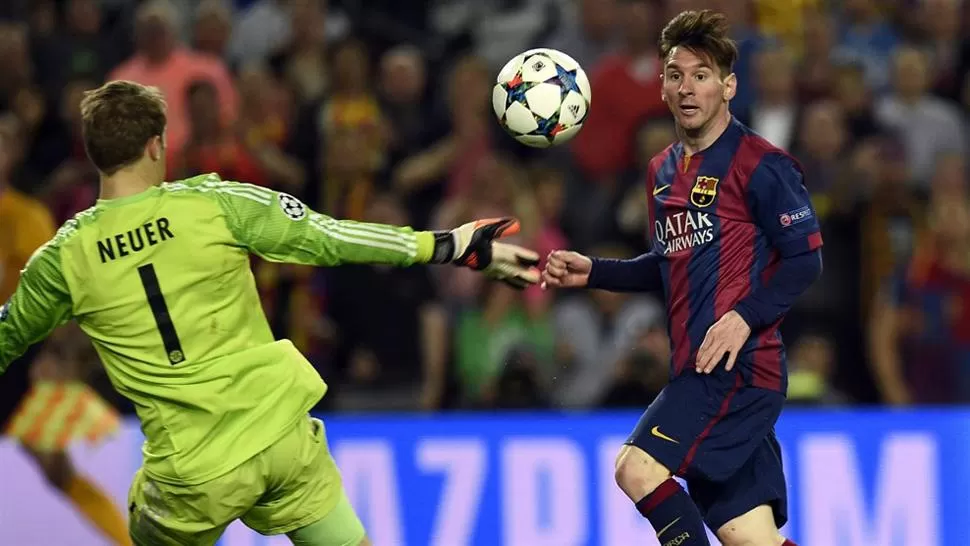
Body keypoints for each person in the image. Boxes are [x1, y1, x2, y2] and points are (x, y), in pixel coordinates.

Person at [0, 80, 540, 546]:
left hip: (191, 471)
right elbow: (329, 237)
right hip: (280, 435)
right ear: (157, 144)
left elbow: (8, 337)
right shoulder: (215, 204)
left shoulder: (63, 259)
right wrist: (447, 245)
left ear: (93, 153)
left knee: (144, 526)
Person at [541, 10, 822, 546]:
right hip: (699, 366)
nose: (688, 87)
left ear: (728, 85)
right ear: (663, 88)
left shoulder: (762, 165)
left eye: (702, 74)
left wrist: (742, 318)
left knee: (635, 468)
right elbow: (670, 263)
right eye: (676, 75)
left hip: (738, 372)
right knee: (749, 538)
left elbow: (805, 261)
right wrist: (594, 271)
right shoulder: (662, 171)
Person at [0, 115, 132, 546]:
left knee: (57, 470)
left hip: (17, 365)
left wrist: (59, 359)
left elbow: (52, 296)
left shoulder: (28, 217)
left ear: (15, 154)